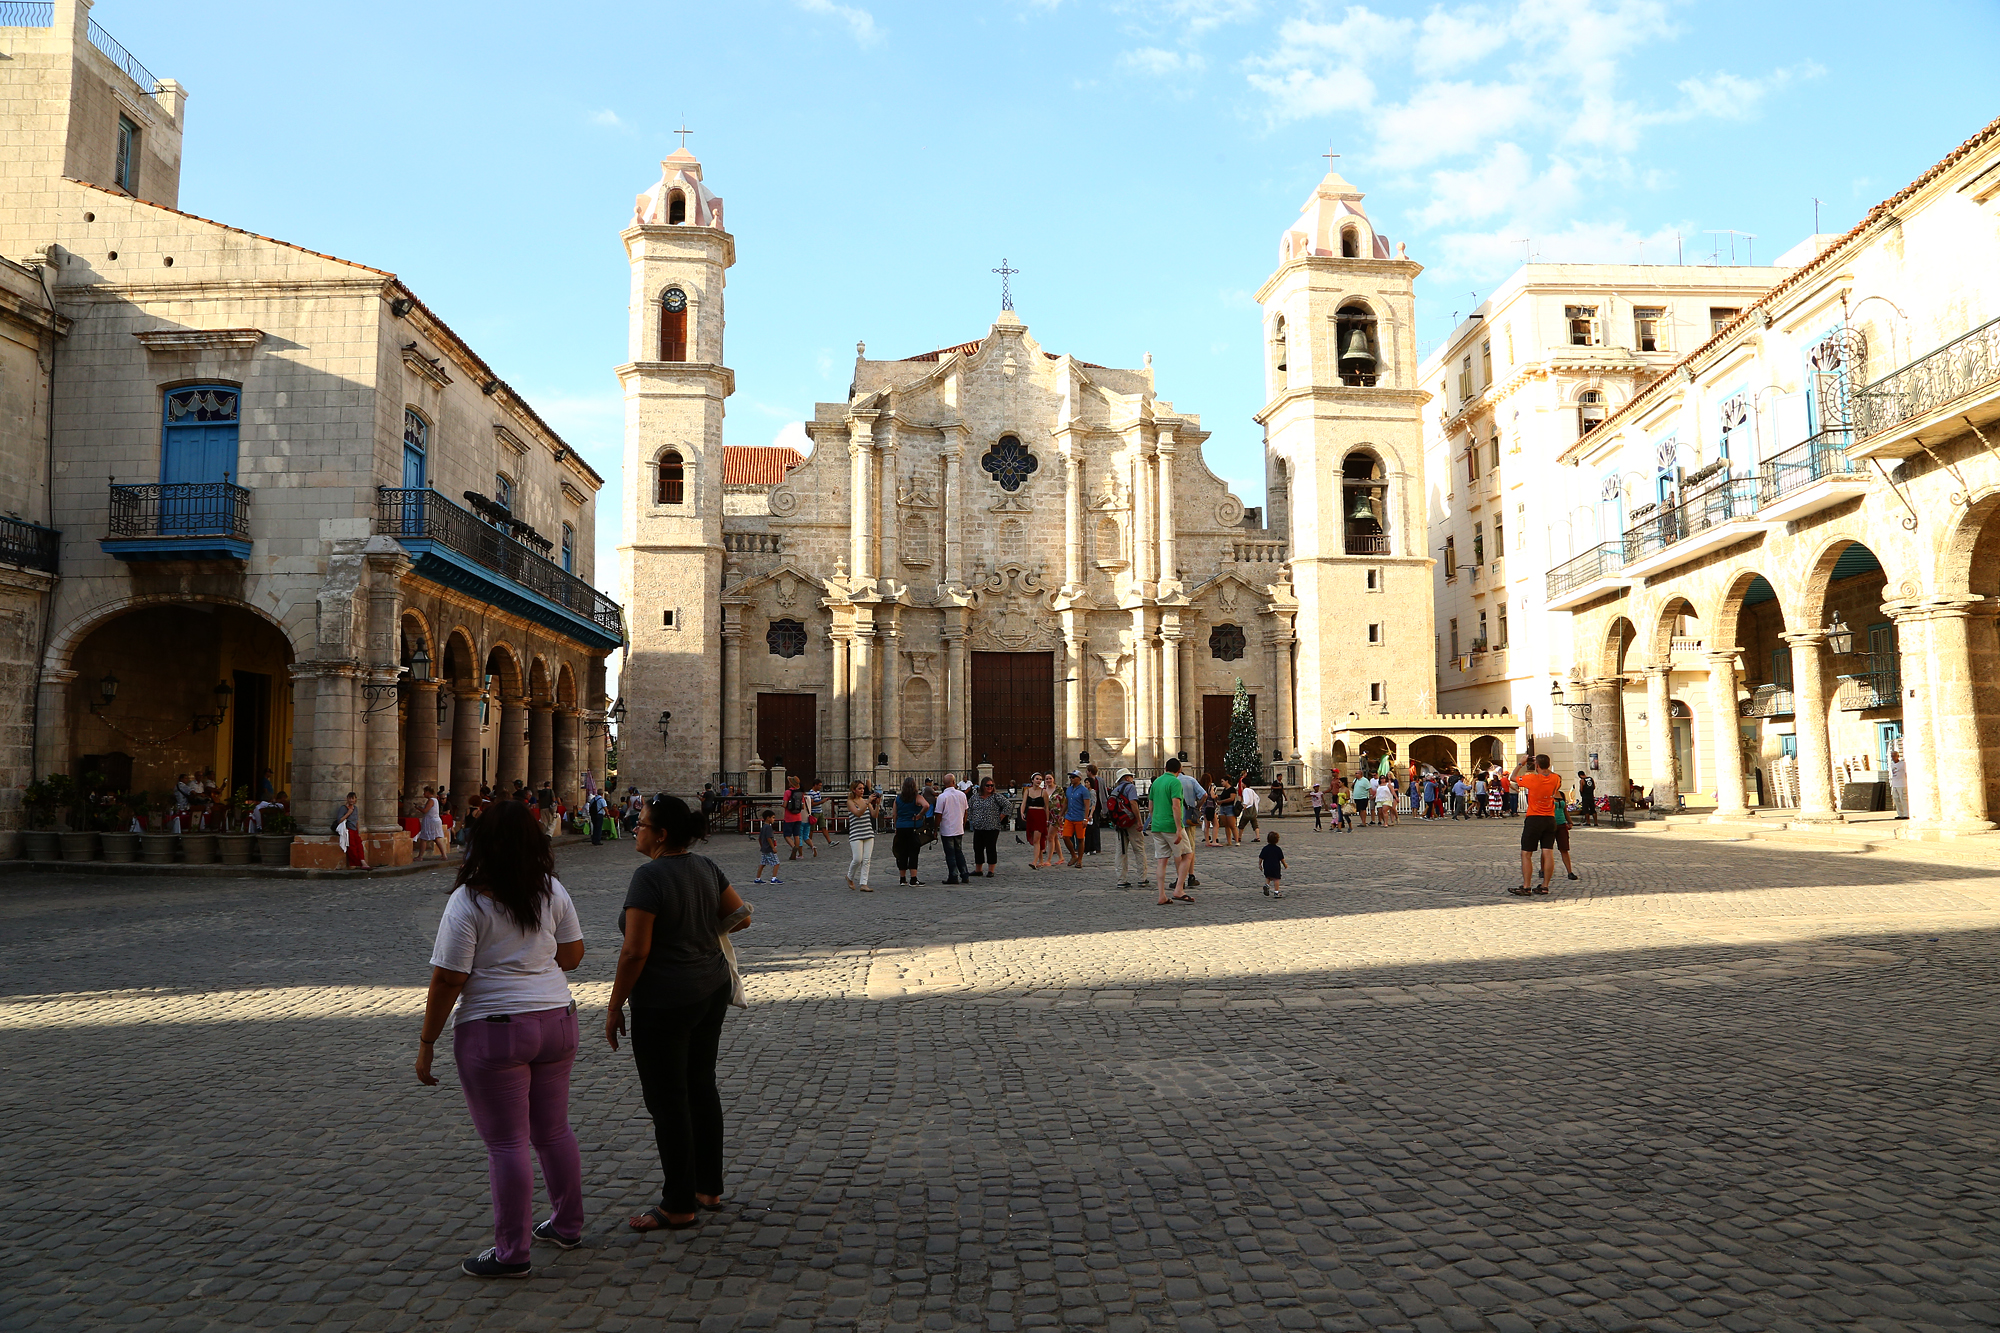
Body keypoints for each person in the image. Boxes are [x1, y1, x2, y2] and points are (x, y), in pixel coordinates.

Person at [413, 798, 585, 1277]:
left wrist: (427, 1042)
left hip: (495, 1029)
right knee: (553, 1131)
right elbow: (572, 955)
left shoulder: (470, 899)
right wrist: (534, 959)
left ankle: (512, 1253)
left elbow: (449, 977)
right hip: (556, 1019)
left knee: (507, 1144)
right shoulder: (551, 889)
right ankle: (567, 1224)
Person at [606, 793, 753, 1234]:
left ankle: (678, 1204)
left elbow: (634, 951)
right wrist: (699, 931)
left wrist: (614, 1007)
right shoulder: (706, 868)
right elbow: (741, 916)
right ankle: (709, 1188)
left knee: (668, 1102)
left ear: (661, 834)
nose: (636, 827)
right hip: (709, 991)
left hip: (665, 1000)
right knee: (701, 1088)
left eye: (642, 823)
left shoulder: (648, 878)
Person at [1511, 754, 1565, 897]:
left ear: (1537, 766)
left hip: (1534, 818)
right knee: (1548, 852)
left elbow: (1512, 778)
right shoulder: (1556, 778)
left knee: (1526, 853)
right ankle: (1545, 886)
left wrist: (1521, 764)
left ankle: (1526, 886)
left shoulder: (1532, 779)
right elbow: (1554, 784)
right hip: (1550, 819)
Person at [1148, 757, 1194, 905]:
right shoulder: (1175, 782)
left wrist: (1155, 819)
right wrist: (1179, 828)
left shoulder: (1156, 782)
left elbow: (1150, 807)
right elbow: (1176, 806)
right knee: (1188, 854)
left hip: (1157, 825)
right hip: (1170, 825)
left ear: (1165, 768)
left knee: (1162, 860)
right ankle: (1179, 889)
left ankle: (1161, 895)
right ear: (1179, 770)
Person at [967, 777, 1012, 878]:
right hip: (978, 827)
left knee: (990, 848)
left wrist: (1001, 816)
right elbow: (969, 808)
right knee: (978, 848)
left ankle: (991, 870)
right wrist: (971, 819)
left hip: (992, 827)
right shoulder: (975, 797)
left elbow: (1008, 805)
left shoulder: (996, 797)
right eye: (987, 785)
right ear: (982, 786)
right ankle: (978, 869)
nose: (990, 787)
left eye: (992, 785)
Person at [1105, 769, 1141, 887]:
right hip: (1132, 823)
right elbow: (1133, 804)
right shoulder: (1130, 787)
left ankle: (1121, 879)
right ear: (1126, 778)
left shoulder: (1115, 790)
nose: (1132, 779)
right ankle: (1142, 878)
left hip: (1120, 824)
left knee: (1121, 852)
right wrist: (1139, 821)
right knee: (1139, 849)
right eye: (1131, 776)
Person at [892, 777, 930, 885]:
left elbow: (894, 814)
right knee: (913, 852)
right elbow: (926, 805)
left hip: (901, 827)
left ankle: (902, 878)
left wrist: (896, 826)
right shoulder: (917, 797)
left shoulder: (898, 799)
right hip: (913, 828)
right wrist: (920, 815)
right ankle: (913, 878)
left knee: (902, 853)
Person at [935, 772, 970, 884]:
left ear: (944, 784)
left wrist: (936, 828)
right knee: (959, 852)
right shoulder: (962, 795)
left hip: (947, 829)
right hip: (959, 828)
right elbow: (965, 812)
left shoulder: (942, 797)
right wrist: (963, 825)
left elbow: (939, 814)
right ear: (954, 782)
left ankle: (953, 875)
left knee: (950, 853)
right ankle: (964, 874)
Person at [846, 780, 881, 891]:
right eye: (859, 788)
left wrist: (878, 804)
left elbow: (874, 815)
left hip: (868, 833)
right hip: (856, 833)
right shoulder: (850, 802)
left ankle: (863, 883)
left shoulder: (866, 801)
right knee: (857, 859)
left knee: (867, 859)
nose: (862, 791)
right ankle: (849, 876)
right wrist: (867, 803)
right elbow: (858, 814)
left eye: (863, 788)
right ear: (854, 790)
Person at [1177, 764, 1206, 890]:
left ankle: (1179, 878)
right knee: (1190, 848)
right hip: (1190, 818)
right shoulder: (1191, 780)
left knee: (1179, 849)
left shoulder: (1172, 782)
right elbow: (1204, 795)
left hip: (1177, 820)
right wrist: (1197, 807)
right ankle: (1191, 876)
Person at [1060, 770, 1095, 868]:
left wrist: (1085, 818)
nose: (1071, 779)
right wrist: (1061, 814)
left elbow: (1087, 805)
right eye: (1070, 777)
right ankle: (1073, 855)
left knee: (1080, 839)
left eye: (1073, 777)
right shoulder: (1069, 789)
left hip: (1079, 817)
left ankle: (1080, 859)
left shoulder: (1084, 790)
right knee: (1066, 837)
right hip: (1070, 817)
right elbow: (1066, 803)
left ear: (1079, 778)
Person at [1021, 774, 1052, 869]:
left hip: (1040, 816)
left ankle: (1034, 861)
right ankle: (1041, 860)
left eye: (1040, 779)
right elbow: (1024, 802)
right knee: (1035, 839)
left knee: (1036, 840)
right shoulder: (1027, 791)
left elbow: (1046, 807)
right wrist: (1022, 812)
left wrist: (1047, 820)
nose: (1039, 781)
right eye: (1037, 779)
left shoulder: (1044, 792)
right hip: (1031, 815)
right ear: (1032, 780)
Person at [1552, 779, 1579, 882]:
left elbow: (1565, 810)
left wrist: (1569, 821)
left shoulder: (1561, 794)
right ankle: (1543, 869)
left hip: (1562, 824)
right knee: (1547, 849)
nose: (1559, 784)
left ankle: (1569, 872)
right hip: (1551, 824)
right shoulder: (1548, 794)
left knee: (1564, 848)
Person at [337, 791, 369, 869]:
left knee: (359, 846)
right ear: (347, 799)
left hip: (355, 829)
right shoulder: (343, 808)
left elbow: (356, 820)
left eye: (353, 798)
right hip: (348, 829)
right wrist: (348, 813)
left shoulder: (356, 808)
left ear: (355, 800)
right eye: (350, 798)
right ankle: (357, 863)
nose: (351, 800)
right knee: (352, 847)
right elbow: (339, 820)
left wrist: (358, 830)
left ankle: (363, 861)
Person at [417, 785, 448, 860]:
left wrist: (418, 808)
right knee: (436, 838)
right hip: (434, 820)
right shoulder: (435, 800)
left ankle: (420, 856)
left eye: (424, 792)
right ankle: (444, 855)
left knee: (424, 838)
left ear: (428, 792)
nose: (424, 794)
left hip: (431, 821)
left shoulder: (431, 800)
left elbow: (425, 811)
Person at [780, 779, 809, 860]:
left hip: (789, 817)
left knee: (787, 835)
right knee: (796, 835)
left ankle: (793, 847)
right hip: (798, 816)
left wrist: (781, 805)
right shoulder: (801, 793)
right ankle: (796, 851)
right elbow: (802, 807)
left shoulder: (787, 792)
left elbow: (785, 804)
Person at [752, 811, 782, 884]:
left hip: (764, 849)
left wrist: (762, 846)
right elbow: (769, 838)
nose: (774, 819)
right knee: (776, 863)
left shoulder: (763, 827)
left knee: (762, 864)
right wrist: (773, 847)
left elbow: (760, 838)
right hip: (769, 849)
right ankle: (774, 878)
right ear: (768, 818)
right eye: (773, 818)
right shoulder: (768, 827)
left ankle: (757, 878)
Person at [1258, 831, 1287, 899]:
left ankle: (1267, 885)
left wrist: (1260, 864)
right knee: (1276, 879)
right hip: (1275, 866)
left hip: (1267, 866)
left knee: (1268, 877)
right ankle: (1276, 892)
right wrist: (1285, 865)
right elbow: (1281, 859)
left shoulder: (1265, 848)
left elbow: (1261, 857)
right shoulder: (1278, 849)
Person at [811, 781, 836, 848]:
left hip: (820, 811)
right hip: (814, 812)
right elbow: (811, 804)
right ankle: (809, 842)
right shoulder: (811, 793)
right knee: (812, 829)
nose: (820, 787)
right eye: (819, 785)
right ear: (815, 785)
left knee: (823, 827)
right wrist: (821, 802)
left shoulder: (818, 792)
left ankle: (829, 842)